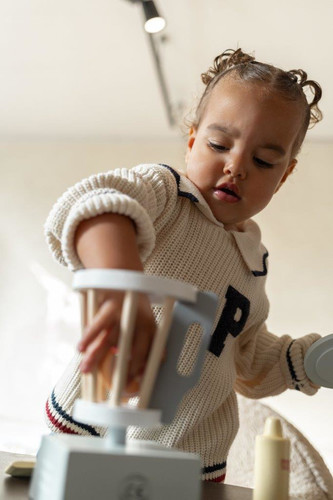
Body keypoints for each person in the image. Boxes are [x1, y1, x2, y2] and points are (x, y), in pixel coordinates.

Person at [44, 48, 323, 482]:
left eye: (264, 160)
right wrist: (123, 293)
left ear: (284, 175)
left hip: (193, 463)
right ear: (192, 140)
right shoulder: (165, 196)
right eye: (218, 144)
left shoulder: (253, 262)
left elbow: (247, 360)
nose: (236, 166)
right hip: (95, 431)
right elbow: (94, 206)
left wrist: (309, 361)